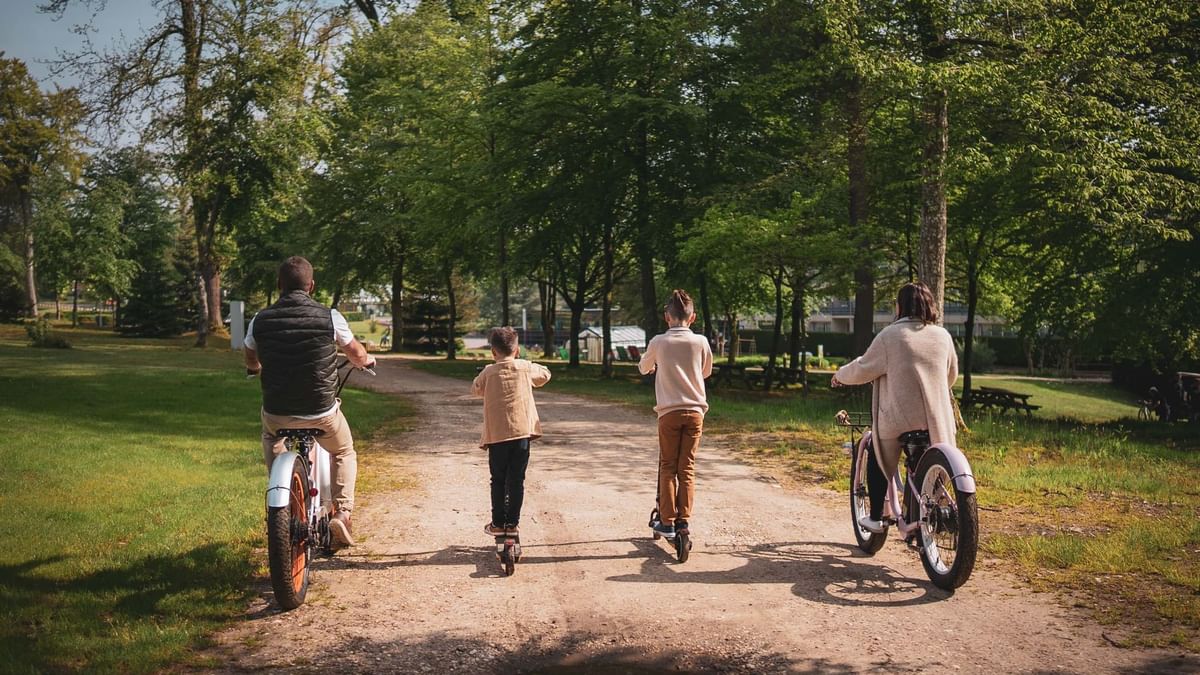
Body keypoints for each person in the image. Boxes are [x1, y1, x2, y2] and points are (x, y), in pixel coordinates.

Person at [243, 256, 376, 549]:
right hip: (321, 412)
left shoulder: (260, 319)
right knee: (344, 450)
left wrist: (255, 369)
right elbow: (355, 352)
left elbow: (250, 354)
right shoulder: (330, 317)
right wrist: (365, 360)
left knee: (271, 437)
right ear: (311, 286)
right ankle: (343, 512)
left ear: (279, 285)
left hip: (278, 413)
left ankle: (282, 497)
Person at [831, 282, 958, 534]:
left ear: (900, 306)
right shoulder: (943, 336)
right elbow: (951, 376)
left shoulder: (890, 335)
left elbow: (863, 367)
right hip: (937, 418)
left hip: (900, 419)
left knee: (877, 453)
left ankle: (877, 517)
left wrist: (840, 376)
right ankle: (931, 508)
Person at [638, 289, 714, 539]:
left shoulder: (659, 342)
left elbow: (643, 367)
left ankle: (667, 521)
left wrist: (658, 366)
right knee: (687, 468)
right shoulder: (701, 341)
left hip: (669, 412)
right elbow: (705, 372)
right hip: (695, 412)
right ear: (692, 318)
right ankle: (684, 520)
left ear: (666, 317)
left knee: (668, 466)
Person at [471, 327, 552, 537]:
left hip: (497, 436)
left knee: (497, 479)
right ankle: (512, 523)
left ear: (493, 352)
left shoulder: (488, 372)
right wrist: (526, 363)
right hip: (521, 434)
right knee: (516, 480)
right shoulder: (525, 367)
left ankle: (498, 523)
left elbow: (476, 389)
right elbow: (545, 374)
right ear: (517, 350)